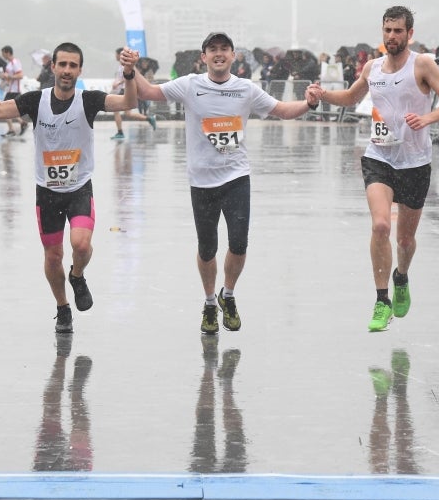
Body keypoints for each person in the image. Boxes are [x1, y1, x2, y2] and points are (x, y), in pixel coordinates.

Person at [131, 31, 319, 335]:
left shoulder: (246, 89)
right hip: (202, 180)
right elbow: (149, 92)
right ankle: (208, 302)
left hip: (236, 177)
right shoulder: (190, 84)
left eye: (224, 49)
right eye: (212, 49)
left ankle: (227, 295)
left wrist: (309, 104)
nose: (219, 54)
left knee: (239, 243)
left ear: (233, 56)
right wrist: (131, 70)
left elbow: (282, 111)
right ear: (203, 57)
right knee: (207, 248)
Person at [306, 6, 439, 333]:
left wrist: (427, 118)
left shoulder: (423, 64)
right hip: (379, 156)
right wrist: (321, 95)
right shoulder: (372, 67)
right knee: (380, 226)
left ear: (409, 34)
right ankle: (381, 300)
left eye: (398, 31)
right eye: (387, 30)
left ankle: (401, 276)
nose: (392, 37)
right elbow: (350, 97)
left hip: (415, 162)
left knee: (405, 240)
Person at [0, 43, 141, 334]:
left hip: (79, 188)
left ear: (80, 70)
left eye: (72, 66)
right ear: (52, 67)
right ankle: (63, 307)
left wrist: (129, 74)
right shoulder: (34, 101)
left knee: (80, 245)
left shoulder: (88, 100)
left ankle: (77, 276)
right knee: (53, 257)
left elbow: (127, 103)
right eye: (62, 64)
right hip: (47, 193)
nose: (67, 71)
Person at [110, 47, 156, 139]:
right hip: (122, 89)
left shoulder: (124, 65)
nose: (115, 56)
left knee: (115, 110)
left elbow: (127, 75)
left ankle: (120, 132)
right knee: (128, 114)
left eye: (116, 54)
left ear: (120, 55)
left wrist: (118, 83)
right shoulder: (121, 65)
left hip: (122, 89)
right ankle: (148, 118)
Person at [0, 45, 28, 136]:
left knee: (5, 109)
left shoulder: (15, 62)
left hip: (15, 90)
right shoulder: (9, 64)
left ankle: (13, 128)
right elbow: (8, 78)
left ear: (7, 52)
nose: (2, 56)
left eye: (3, 53)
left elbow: (20, 75)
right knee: (8, 110)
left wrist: (9, 76)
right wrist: (2, 76)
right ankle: (21, 123)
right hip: (9, 89)